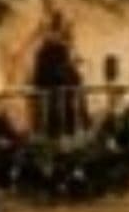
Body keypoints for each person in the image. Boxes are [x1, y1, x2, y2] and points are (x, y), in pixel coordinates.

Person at [30, 8, 88, 138]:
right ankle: (58, 130)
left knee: (70, 98)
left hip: (60, 75)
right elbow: (53, 42)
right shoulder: (49, 43)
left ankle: (74, 127)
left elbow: (70, 49)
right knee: (54, 105)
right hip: (52, 77)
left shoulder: (59, 41)